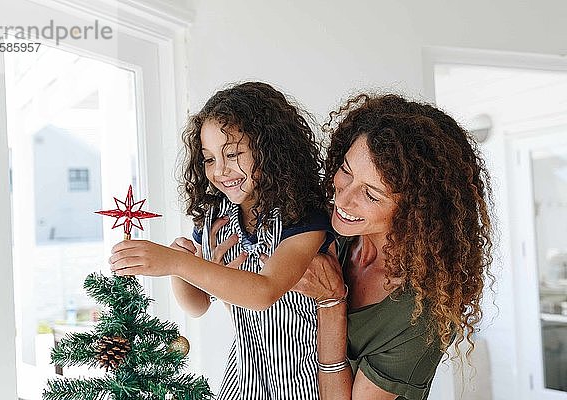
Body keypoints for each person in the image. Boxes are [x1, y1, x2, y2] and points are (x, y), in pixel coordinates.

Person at [109, 82, 334, 400]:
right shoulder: (216, 219)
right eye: (209, 159)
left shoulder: (303, 217)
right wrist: (180, 267)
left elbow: (264, 291)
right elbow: (197, 305)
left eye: (232, 154)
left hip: (304, 385)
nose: (220, 170)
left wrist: (177, 262)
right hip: (242, 383)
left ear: (271, 150)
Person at [290, 93, 494, 400]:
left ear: (415, 211)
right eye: (346, 171)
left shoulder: (422, 316)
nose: (343, 200)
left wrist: (332, 304)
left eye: (371, 195)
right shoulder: (332, 233)